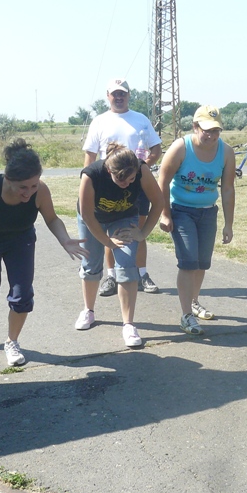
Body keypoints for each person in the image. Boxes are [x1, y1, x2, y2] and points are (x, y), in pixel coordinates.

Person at [0, 138, 87, 366]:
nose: (29, 193)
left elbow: (52, 219)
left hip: (20, 240)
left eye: (33, 186)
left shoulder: (40, 191)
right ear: (8, 180)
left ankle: (12, 341)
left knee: (22, 294)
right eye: (23, 188)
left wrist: (65, 240)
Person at [76, 142, 163, 347]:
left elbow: (159, 202)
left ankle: (128, 324)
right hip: (93, 219)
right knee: (91, 264)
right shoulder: (91, 175)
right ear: (109, 171)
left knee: (126, 264)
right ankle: (88, 311)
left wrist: (142, 233)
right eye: (120, 179)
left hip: (124, 217)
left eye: (130, 180)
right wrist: (107, 242)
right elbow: (87, 215)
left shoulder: (141, 169)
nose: (126, 184)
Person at [158, 105, 236, 335]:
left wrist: (229, 224)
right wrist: (165, 213)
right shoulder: (181, 148)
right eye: (206, 130)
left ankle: (194, 302)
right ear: (195, 127)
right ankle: (186, 316)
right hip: (182, 210)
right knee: (188, 262)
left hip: (208, 212)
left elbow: (228, 189)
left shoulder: (226, 152)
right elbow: (162, 181)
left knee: (202, 263)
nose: (211, 135)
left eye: (216, 130)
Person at [83, 79, 163, 296]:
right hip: (107, 185)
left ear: (129, 95)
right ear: (108, 96)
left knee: (138, 229)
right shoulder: (99, 121)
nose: (119, 97)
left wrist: (142, 171)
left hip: (136, 185)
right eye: (115, 94)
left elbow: (156, 149)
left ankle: (141, 274)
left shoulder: (140, 119)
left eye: (123, 93)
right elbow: (90, 156)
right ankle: (112, 276)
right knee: (111, 230)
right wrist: (88, 184)